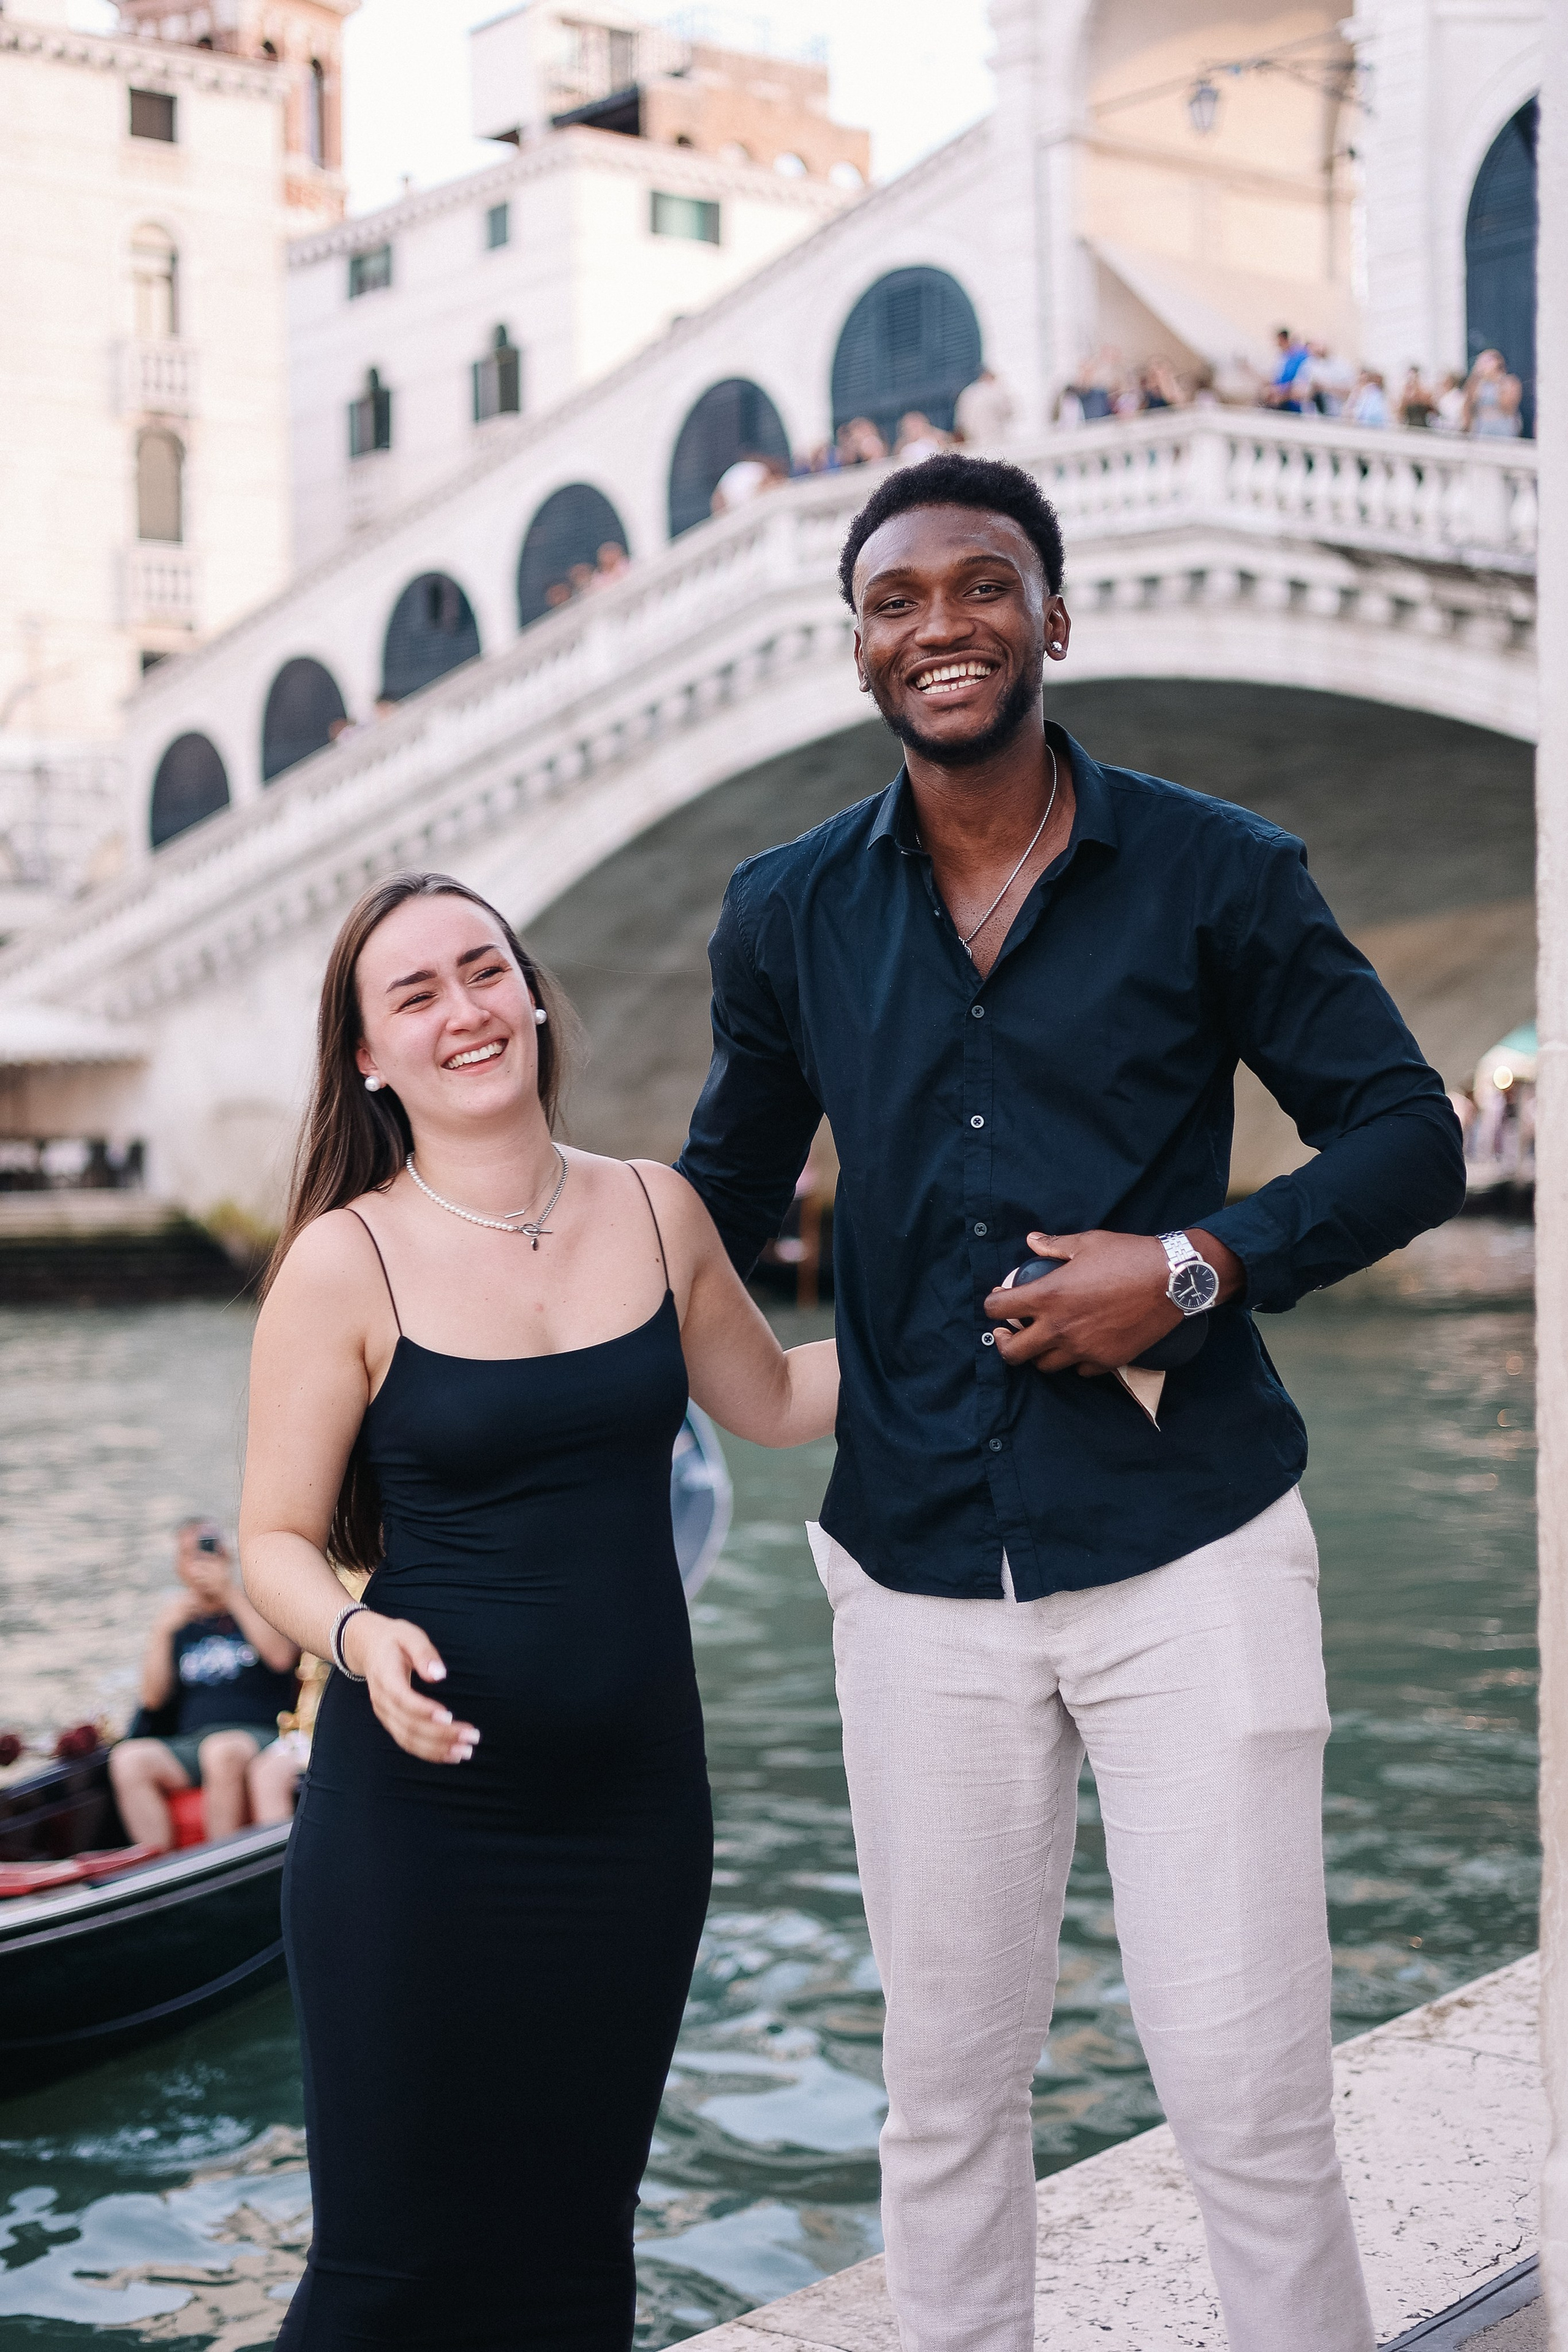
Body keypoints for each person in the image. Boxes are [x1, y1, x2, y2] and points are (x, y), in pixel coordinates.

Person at [674, 452, 1465, 2352]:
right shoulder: (782, 913)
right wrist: (480, 1328)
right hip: (913, 1568)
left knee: (1248, 2093)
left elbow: (1407, 1134)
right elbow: (711, 1198)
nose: (937, 624)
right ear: (855, 644)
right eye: (895, 599)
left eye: (978, 585)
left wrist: (1189, 1263)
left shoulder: (1218, 870)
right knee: (944, 2097)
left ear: (1052, 613)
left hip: (1189, 1543)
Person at [239, 870, 836, 2349]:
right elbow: (271, 1541)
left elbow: (771, 1401)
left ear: (531, 992)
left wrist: (985, 1315)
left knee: (575, 2259)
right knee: (388, 2272)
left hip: (634, 1816)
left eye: (482, 969)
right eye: (416, 993)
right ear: (367, 1055)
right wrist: (356, 1634)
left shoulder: (657, 1205)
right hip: (417, 1829)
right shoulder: (345, 1257)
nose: (464, 1010)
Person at [110, 1518, 301, 1847]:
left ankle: (220, 1865)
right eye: (190, 1555)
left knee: (221, 1750)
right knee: (128, 1759)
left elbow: (282, 1658)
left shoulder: (257, 1606)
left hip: (259, 1734)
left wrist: (231, 1594)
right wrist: (162, 1633)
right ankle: (161, 1870)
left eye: (209, 1550)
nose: (200, 1562)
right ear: (179, 1566)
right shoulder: (178, 1625)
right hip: (193, 1742)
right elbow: (153, 1700)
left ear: (226, 1556)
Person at [1464, 348, 1524, 437]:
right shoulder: (1477, 383)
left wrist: (1497, 382)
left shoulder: (1509, 381)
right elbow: (1469, 405)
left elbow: (1508, 408)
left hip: (1503, 426)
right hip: (1482, 427)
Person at [954, 365, 1014, 448]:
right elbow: (1009, 412)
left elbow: (961, 425)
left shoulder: (967, 393)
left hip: (973, 443)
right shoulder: (995, 392)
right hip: (995, 441)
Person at [1265, 323, 1311, 409]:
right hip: (1281, 396)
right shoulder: (1283, 357)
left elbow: (1299, 380)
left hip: (1293, 400)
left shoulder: (1300, 356)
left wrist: (1280, 390)